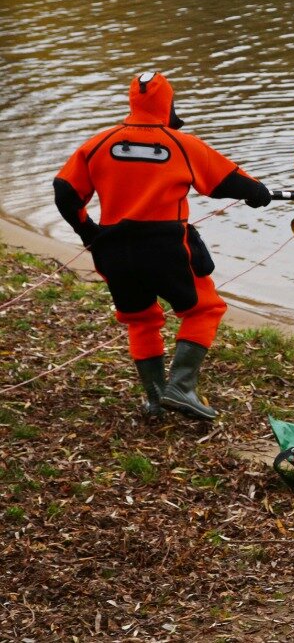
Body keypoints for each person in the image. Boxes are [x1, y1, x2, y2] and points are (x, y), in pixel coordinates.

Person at [52, 72, 273, 421]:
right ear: (168, 104)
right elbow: (230, 181)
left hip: (113, 249)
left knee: (141, 320)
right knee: (204, 309)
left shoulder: (97, 143)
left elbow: (65, 191)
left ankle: (156, 401)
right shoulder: (182, 143)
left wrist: (87, 231)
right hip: (167, 247)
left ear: (132, 101)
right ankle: (181, 387)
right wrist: (258, 192)